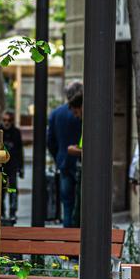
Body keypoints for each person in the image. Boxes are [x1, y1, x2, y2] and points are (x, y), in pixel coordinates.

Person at [47, 84, 83, 227]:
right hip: (79, 163)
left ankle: (68, 238)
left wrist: (58, 158)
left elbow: (50, 141)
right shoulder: (82, 112)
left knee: (67, 205)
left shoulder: (56, 113)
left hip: (64, 163)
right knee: (81, 205)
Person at [0, 110, 24, 222]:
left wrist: (21, 167)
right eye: (4, 120)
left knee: (13, 189)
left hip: (13, 165)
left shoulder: (16, 132)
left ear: (12, 121)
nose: (6, 122)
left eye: (9, 120)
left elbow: (20, 150)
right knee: (0, 190)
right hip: (0, 167)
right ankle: (1, 212)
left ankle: (13, 212)